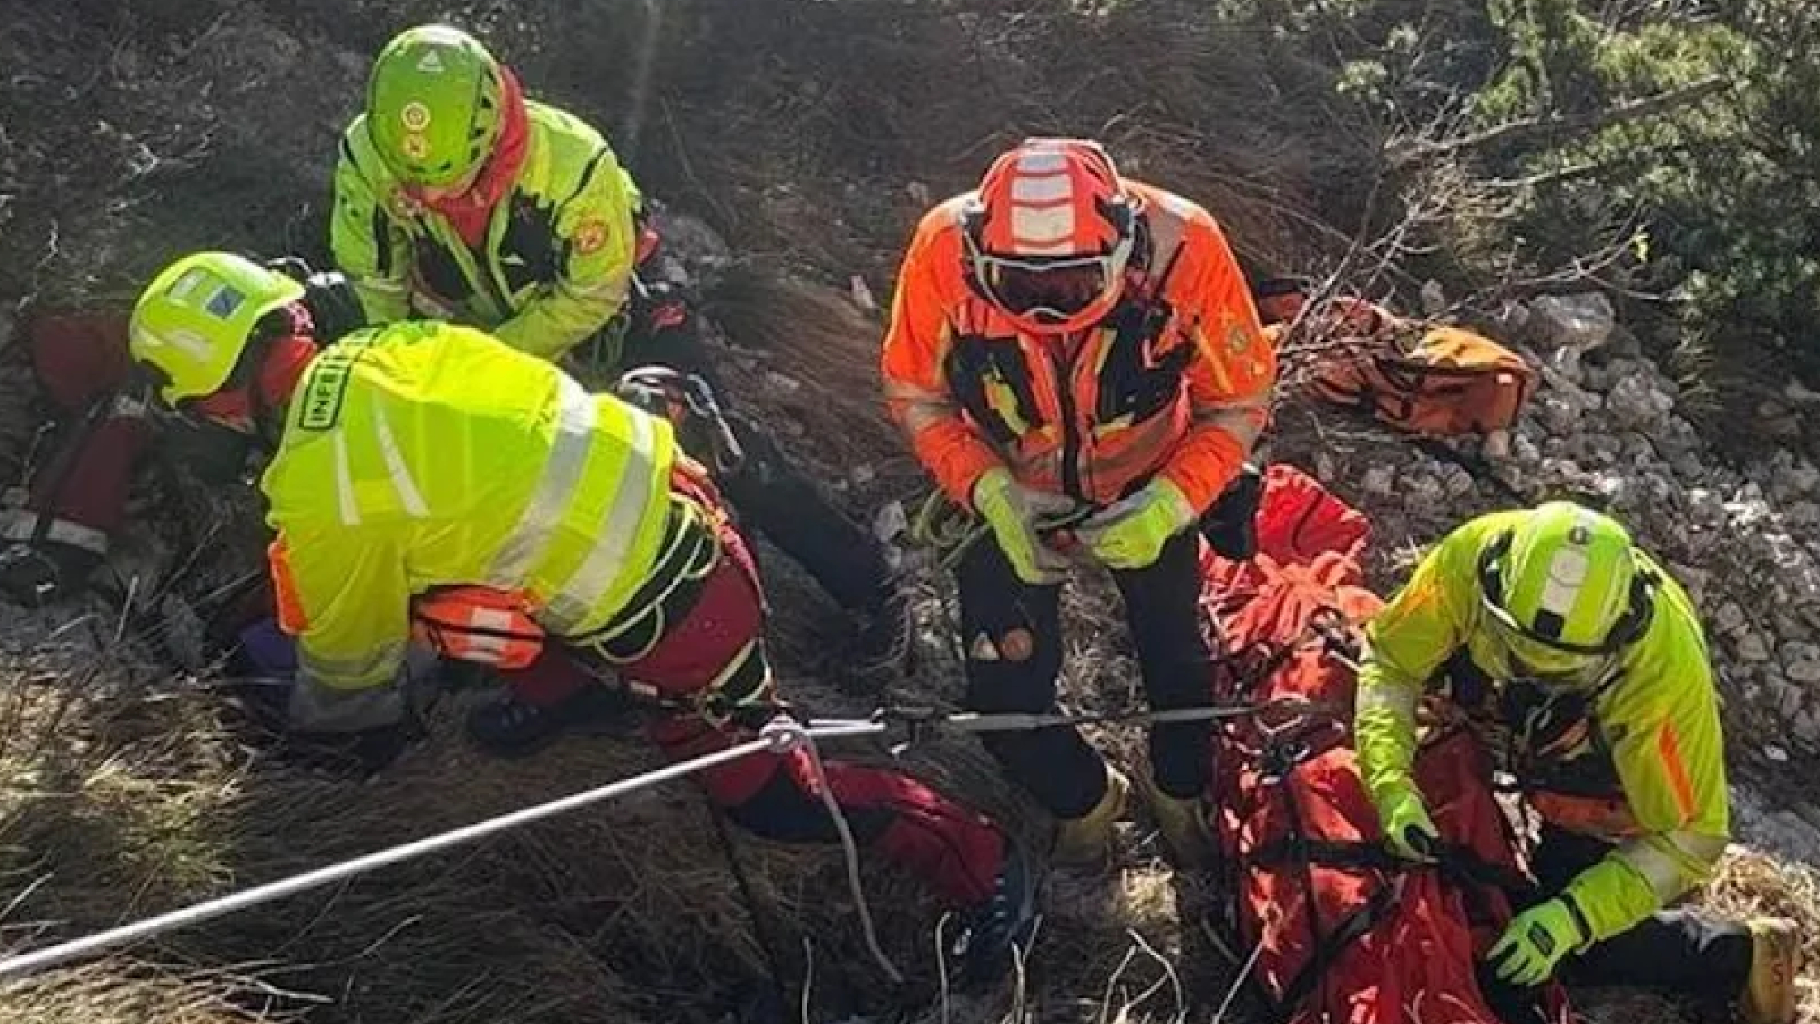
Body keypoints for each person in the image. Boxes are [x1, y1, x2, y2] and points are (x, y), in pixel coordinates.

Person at [124, 250, 1035, 984]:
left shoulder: (320, 490)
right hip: (685, 508)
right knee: (452, 569)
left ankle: (982, 860)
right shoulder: (395, 345)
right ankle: (571, 693)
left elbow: (349, 666)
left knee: (771, 799)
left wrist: (325, 754)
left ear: (215, 400)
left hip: (682, 615)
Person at [326, 24, 909, 716]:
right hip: (483, 328)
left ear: (493, 127)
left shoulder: (571, 164)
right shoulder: (370, 157)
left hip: (618, 316)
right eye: (416, 189)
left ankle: (868, 586)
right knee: (509, 489)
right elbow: (372, 278)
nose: (432, 202)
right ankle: (564, 670)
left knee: (713, 451)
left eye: (452, 185)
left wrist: (482, 365)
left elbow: (591, 292)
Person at [880, 137, 1277, 866]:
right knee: (1002, 697)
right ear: (980, 251)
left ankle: (1178, 791)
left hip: (1149, 476)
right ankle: (1086, 800)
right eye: (1020, 285)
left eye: (1069, 286)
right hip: (1009, 481)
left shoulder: (1186, 248)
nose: (1044, 308)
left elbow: (1241, 398)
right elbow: (916, 392)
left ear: (1123, 245)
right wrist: (987, 489)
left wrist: (1170, 501)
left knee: (1178, 663)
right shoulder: (942, 249)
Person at [1354, 500, 1799, 1023]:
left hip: (1595, 774)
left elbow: (1691, 837)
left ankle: (1739, 953)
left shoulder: (1661, 679)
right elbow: (1391, 662)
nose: (1538, 673)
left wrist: (1574, 917)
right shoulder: (1468, 560)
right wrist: (1390, 783)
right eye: (1521, 653)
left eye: (1561, 670)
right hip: (1499, 710)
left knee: (1551, 948)